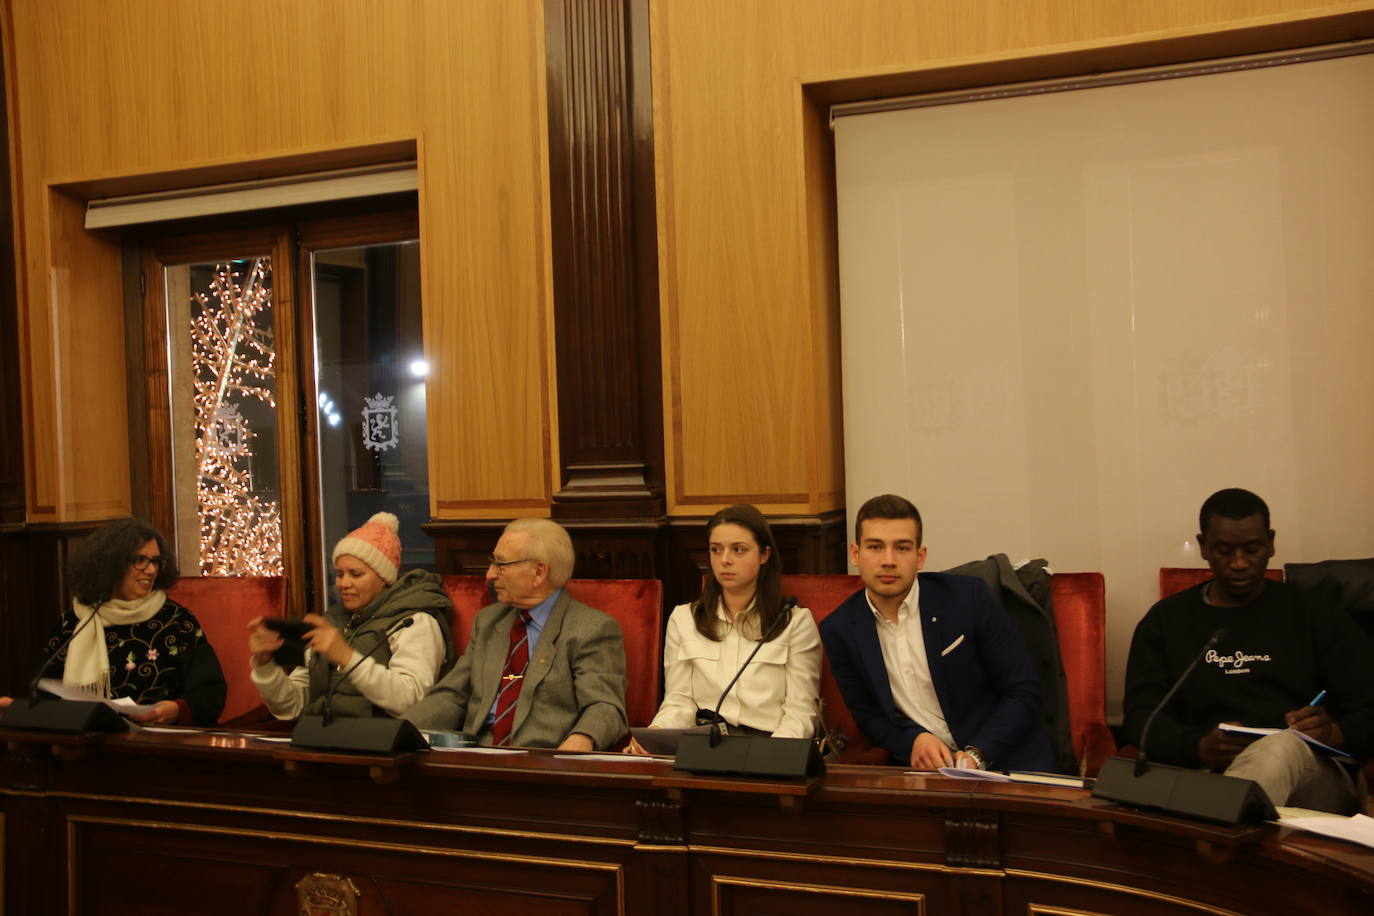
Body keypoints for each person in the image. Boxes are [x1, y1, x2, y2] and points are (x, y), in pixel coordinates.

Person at [1123, 488, 1374, 813]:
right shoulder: (1165, 621)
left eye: (1252, 549)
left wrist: (1334, 733)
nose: (1239, 564)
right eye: (1224, 551)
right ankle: (1221, 827)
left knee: (1281, 748)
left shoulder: (1315, 615)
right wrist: (1197, 747)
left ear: (1270, 542)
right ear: (1203, 547)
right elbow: (1141, 718)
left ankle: (1214, 835)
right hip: (1203, 773)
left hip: (1311, 777)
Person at [820, 494, 1053, 771]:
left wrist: (977, 755)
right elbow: (869, 716)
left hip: (1008, 762)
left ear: (920, 557)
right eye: (875, 547)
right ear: (855, 554)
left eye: (902, 548)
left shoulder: (969, 598)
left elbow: (1023, 690)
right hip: (925, 773)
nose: (888, 560)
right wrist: (913, 741)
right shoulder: (840, 629)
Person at [404, 518, 627, 749]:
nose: (490, 575)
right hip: (474, 756)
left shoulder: (590, 629)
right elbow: (453, 695)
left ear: (539, 572)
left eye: (501, 564)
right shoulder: (488, 622)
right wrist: (398, 734)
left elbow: (604, 706)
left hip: (544, 762)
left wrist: (578, 744)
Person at [626, 504, 821, 754]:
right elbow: (680, 700)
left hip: (770, 744)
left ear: (764, 554)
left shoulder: (795, 622)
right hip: (706, 745)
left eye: (738, 550)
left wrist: (775, 756)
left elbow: (801, 711)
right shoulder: (684, 619)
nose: (725, 560)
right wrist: (657, 733)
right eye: (716, 550)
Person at [0, 518, 226, 725]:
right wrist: (23, 709)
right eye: (140, 560)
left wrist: (176, 710)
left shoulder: (177, 621)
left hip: (158, 745)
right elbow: (45, 694)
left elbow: (211, 694)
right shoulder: (73, 624)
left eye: (156, 562)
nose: (152, 570)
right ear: (110, 564)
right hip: (87, 744)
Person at [248, 512, 455, 720]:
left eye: (355, 574)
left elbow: (411, 701)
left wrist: (347, 657)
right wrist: (266, 665)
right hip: (321, 741)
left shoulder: (414, 620)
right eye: (339, 574)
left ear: (383, 577)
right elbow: (293, 707)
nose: (343, 584)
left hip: (382, 745)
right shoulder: (333, 621)